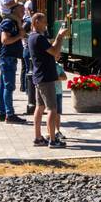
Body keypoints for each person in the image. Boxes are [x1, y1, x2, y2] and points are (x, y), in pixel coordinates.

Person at [27, 12, 70, 148]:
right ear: (36, 22)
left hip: (39, 76)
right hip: (46, 78)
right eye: (44, 21)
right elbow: (55, 52)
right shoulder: (39, 38)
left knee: (40, 107)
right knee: (52, 108)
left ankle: (38, 137)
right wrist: (60, 36)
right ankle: (53, 140)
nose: (46, 24)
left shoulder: (32, 37)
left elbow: (50, 52)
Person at [0, 3, 26, 124]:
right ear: (14, 10)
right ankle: (9, 114)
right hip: (7, 58)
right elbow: (5, 40)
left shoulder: (14, 22)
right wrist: (19, 36)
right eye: (21, 9)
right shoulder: (8, 23)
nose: (24, 10)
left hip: (7, 58)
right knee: (9, 86)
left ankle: (1, 113)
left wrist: (19, 24)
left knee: (2, 86)